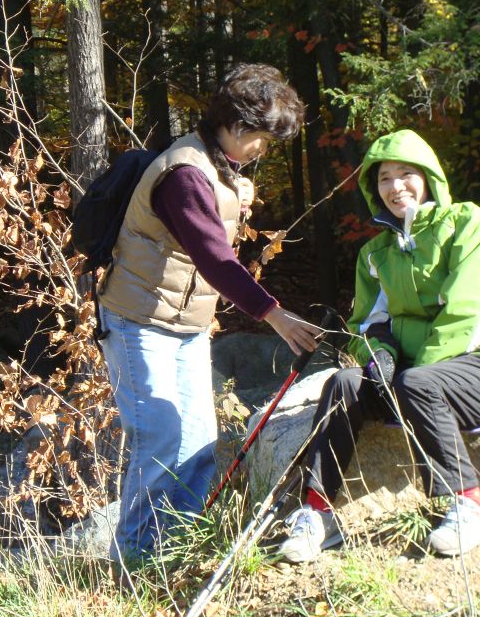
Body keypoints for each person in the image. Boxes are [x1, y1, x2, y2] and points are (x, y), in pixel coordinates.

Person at [98, 63, 320, 563]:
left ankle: (174, 549)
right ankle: (133, 559)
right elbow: (216, 259)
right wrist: (275, 316)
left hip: (187, 325)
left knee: (198, 440)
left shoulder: (220, 167)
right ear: (238, 126)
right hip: (139, 322)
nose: (264, 149)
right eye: (263, 138)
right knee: (160, 437)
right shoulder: (186, 174)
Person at [278, 128, 480, 562]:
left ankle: (469, 502)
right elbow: (367, 325)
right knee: (343, 383)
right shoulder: (377, 253)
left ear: (429, 176)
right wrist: (380, 359)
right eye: (384, 179)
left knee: (419, 383)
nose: (396, 187)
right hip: (415, 379)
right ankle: (317, 512)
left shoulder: (470, 225)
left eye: (406, 174)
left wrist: (407, 380)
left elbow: (470, 314)